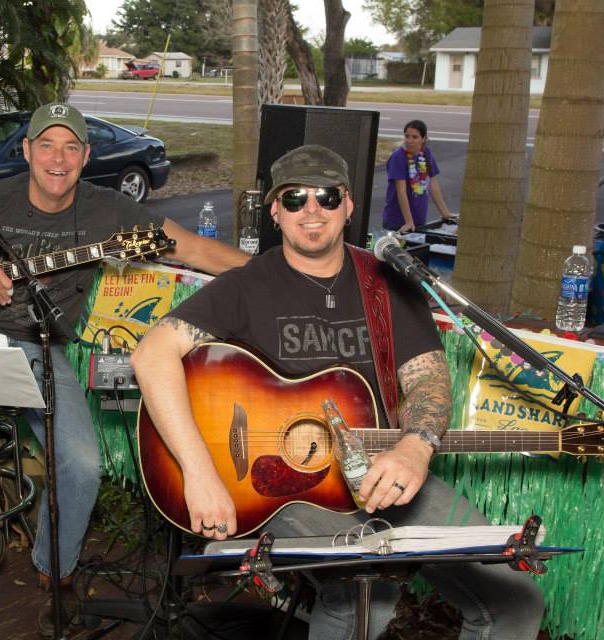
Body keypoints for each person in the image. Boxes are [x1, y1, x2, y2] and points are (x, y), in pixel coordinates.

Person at [0, 102, 250, 637]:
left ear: (87, 156)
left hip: (42, 346)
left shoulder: (108, 211)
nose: (58, 158)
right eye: (46, 144)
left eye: (71, 147)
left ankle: (55, 573)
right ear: (26, 152)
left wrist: (275, 272)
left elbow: (195, 248)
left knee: (82, 464)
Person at [131, 145, 545, 639]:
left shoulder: (386, 281)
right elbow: (151, 355)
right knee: (363, 596)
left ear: (349, 206)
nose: (312, 209)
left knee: (515, 601)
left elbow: (428, 377)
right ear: (275, 211)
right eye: (295, 197)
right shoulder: (248, 285)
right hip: (277, 485)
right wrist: (199, 473)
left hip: (384, 468)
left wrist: (414, 447)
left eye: (327, 197)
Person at [382, 119, 453, 233]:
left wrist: (445, 213)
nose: (410, 141)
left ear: (423, 138)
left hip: (419, 221)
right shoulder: (398, 157)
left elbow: (433, 186)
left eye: (415, 137)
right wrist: (408, 221)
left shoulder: (426, 153)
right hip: (398, 222)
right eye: (407, 136)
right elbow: (401, 192)